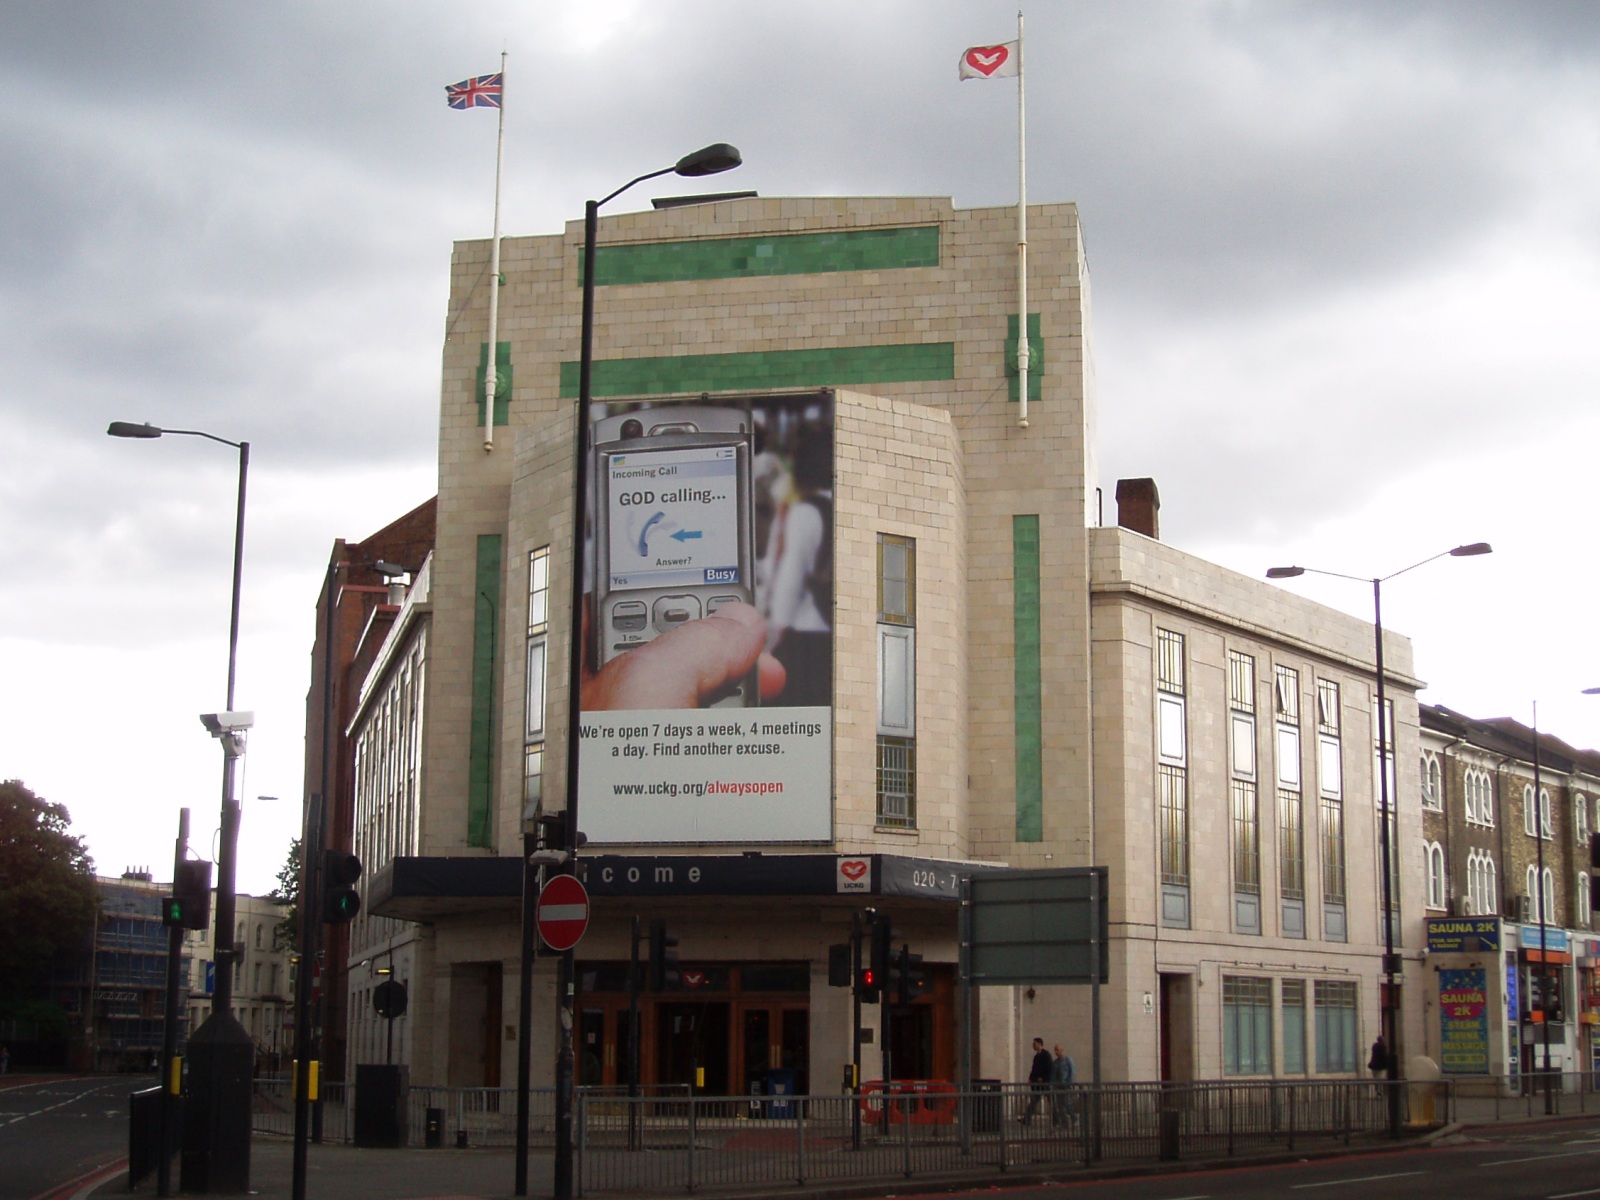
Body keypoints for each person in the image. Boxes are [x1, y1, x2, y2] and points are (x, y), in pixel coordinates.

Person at [1019, 1037, 1053, 1125]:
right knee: (1034, 1101)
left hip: (1045, 1084)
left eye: (1034, 1044)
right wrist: (1031, 1078)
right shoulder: (1036, 1056)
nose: (1033, 1046)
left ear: (1039, 1044)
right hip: (1038, 1084)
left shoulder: (1046, 1055)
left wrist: (1044, 1078)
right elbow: (1034, 1069)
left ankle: (1057, 1120)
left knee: (1051, 1102)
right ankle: (1026, 1119)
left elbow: (1049, 1069)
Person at [1050, 1043, 1076, 1126]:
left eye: (1057, 1050)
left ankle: (1074, 1119)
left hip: (1066, 1086)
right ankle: (1065, 1123)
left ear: (1062, 1050)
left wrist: (1070, 1083)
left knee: (1068, 1104)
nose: (1056, 1052)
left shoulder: (1068, 1060)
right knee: (1060, 1106)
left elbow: (1072, 1072)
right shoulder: (1055, 1063)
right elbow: (1053, 1075)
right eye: (1055, 1050)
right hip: (1058, 1087)